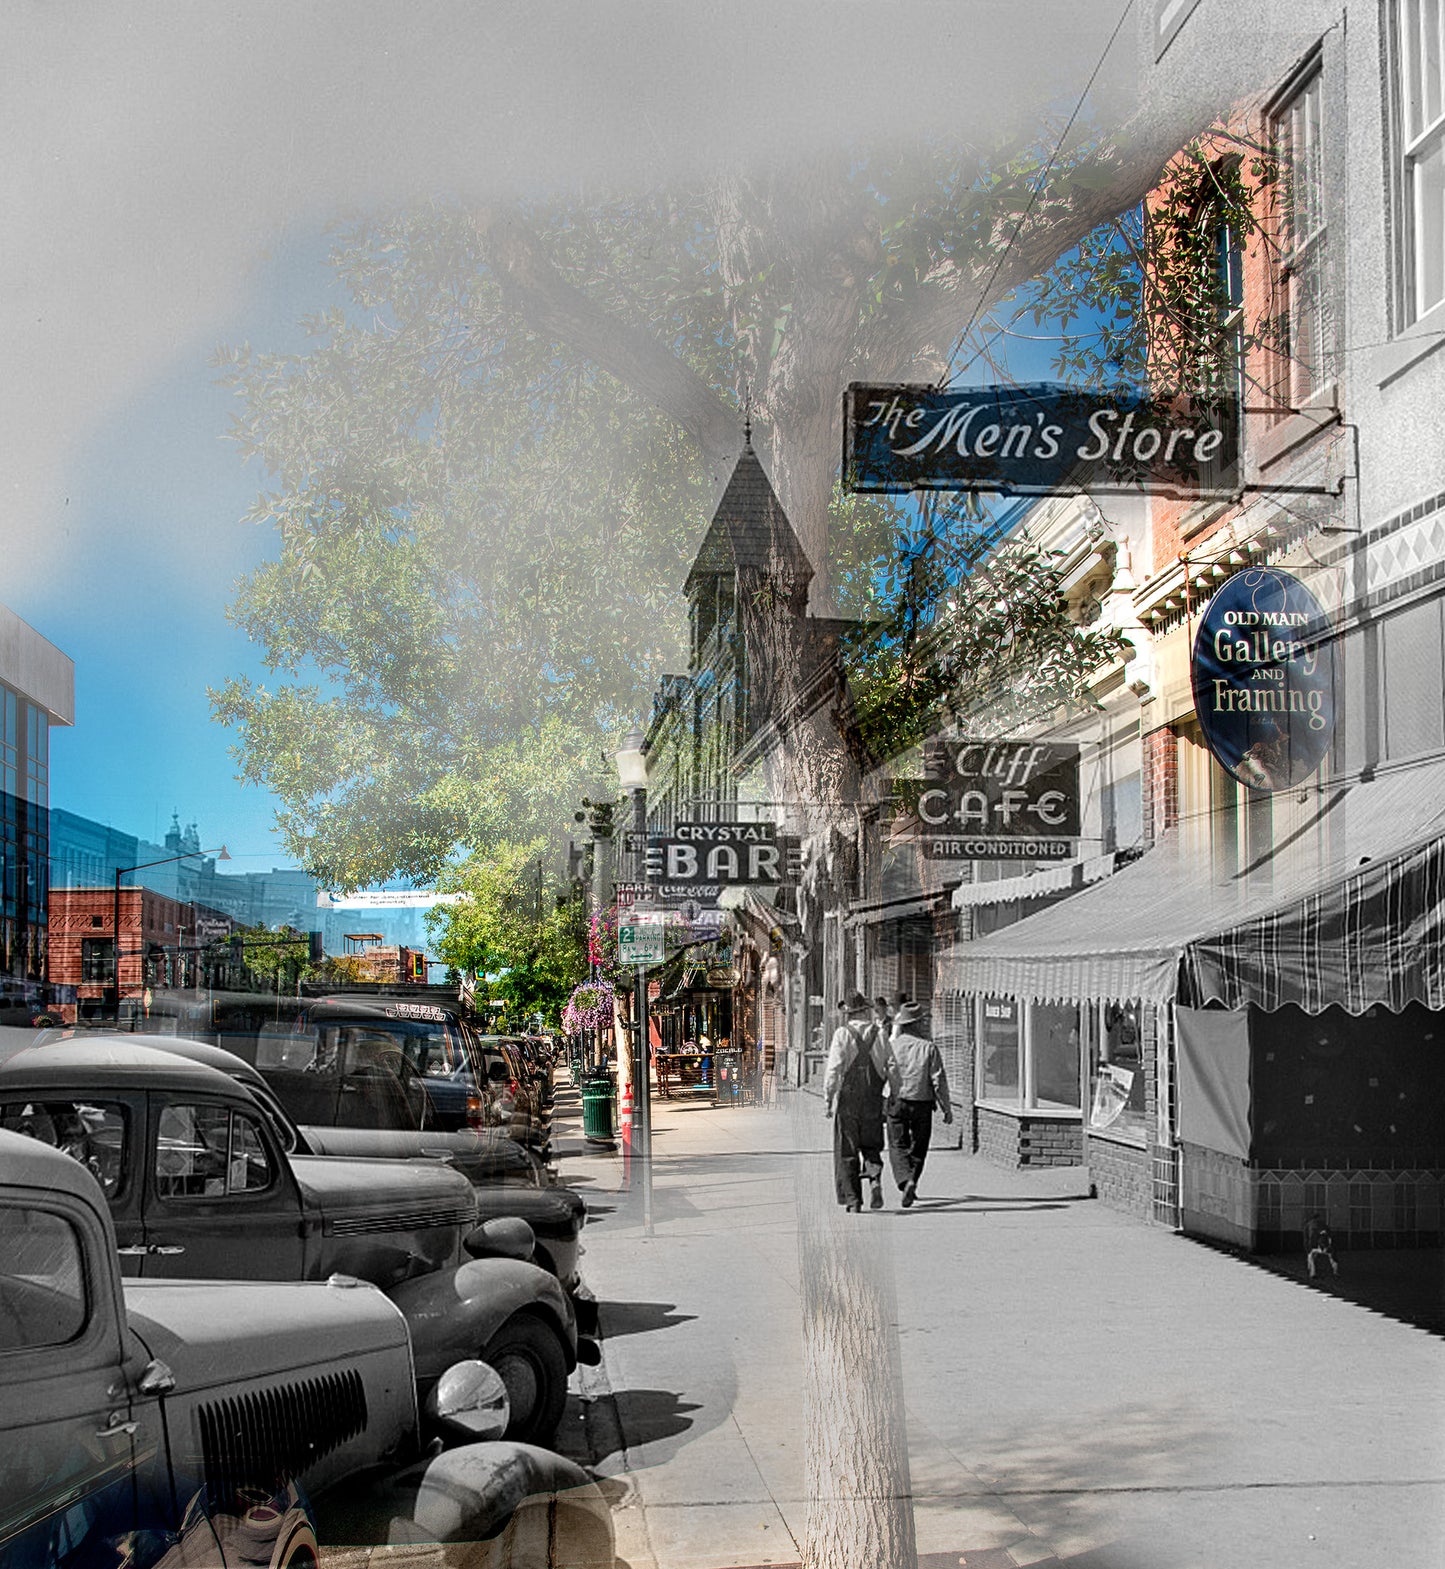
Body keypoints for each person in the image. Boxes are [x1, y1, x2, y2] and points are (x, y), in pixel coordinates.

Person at [824, 991, 896, 1213]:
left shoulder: (842, 1035)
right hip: (873, 1099)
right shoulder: (880, 1034)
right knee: (872, 1144)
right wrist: (894, 1093)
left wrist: (828, 1098)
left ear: (849, 1013)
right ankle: (874, 1180)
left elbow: (834, 1069)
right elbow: (892, 1066)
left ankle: (854, 1200)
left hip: (848, 1101)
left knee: (847, 1149)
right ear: (865, 1011)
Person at [887, 1000, 953, 1207]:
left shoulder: (892, 1047)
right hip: (922, 1103)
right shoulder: (929, 1048)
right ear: (915, 1024)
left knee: (897, 1145)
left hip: (897, 1101)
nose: (925, 1025)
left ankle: (905, 1180)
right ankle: (912, 1180)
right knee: (919, 1146)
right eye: (922, 1022)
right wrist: (946, 1107)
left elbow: (883, 1073)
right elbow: (938, 1079)